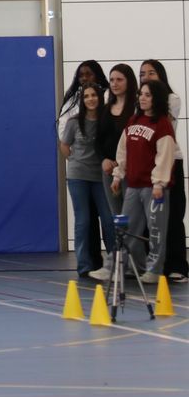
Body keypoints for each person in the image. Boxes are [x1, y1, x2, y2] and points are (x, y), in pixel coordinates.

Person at [111, 81, 176, 283]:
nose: (142, 98)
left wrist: (159, 183)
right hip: (133, 186)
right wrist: (118, 174)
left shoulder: (163, 124)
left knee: (156, 230)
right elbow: (123, 150)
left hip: (153, 188)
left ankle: (154, 270)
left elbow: (165, 155)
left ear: (157, 98)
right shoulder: (133, 120)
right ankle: (124, 266)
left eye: (148, 95)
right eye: (141, 94)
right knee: (127, 228)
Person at [59, 83, 115, 281]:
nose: (90, 99)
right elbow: (64, 145)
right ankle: (84, 265)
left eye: (94, 95)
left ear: (100, 97)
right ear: (83, 100)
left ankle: (114, 263)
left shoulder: (106, 120)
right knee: (83, 220)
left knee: (108, 219)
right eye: (86, 96)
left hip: (101, 176)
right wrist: (74, 160)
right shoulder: (74, 122)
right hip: (78, 176)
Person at [139, 59, 188, 282]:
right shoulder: (140, 101)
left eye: (151, 73)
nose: (146, 77)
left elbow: (162, 123)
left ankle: (178, 265)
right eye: (143, 74)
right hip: (148, 162)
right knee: (150, 217)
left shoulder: (171, 99)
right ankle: (153, 265)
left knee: (174, 213)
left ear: (161, 75)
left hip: (170, 160)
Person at [98, 64, 138, 217]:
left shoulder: (137, 108)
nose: (114, 83)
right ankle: (120, 235)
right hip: (109, 169)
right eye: (112, 80)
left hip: (130, 168)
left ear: (129, 81)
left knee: (132, 215)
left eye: (119, 80)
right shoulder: (105, 109)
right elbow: (98, 140)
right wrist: (103, 159)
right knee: (117, 215)